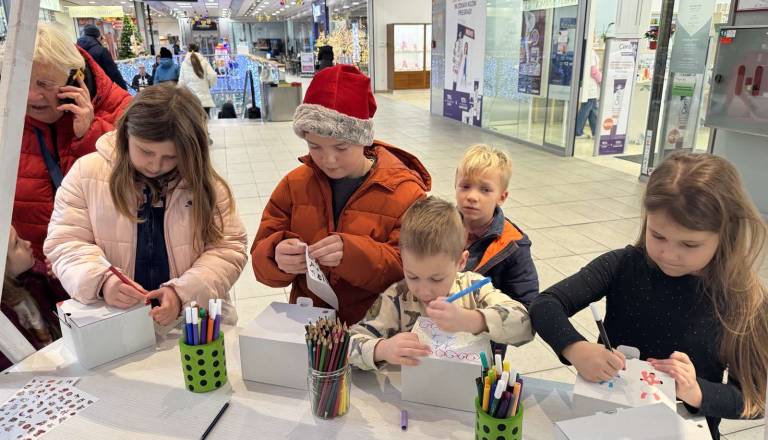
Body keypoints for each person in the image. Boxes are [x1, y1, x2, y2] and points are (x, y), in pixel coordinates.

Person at [529, 152, 768, 440]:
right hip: (605, 425)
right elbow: (546, 305)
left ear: (725, 234)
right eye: (658, 236)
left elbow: (751, 403)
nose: (669, 254)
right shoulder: (622, 265)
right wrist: (575, 348)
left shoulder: (744, 300)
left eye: (690, 244)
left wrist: (696, 390)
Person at [44, 84, 248, 326]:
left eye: (170, 157)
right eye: (145, 151)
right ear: (126, 135)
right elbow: (65, 244)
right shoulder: (86, 173)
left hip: (191, 322)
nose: (155, 165)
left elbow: (229, 249)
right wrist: (102, 281)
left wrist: (183, 293)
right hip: (114, 321)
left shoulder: (207, 185)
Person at [251, 64, 431, 324]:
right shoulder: (293, 186)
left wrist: (353, 255)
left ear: (364, 138)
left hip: (377, 330)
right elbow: (260, 259)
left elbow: (414, 273)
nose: (329, 160)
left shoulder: (405, 193)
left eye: (341, 147)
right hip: (312, 328)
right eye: (315, 146)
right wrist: (276, 255)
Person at [348, 196, 534, 370]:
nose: (423, 291)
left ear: (461, 262)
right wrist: (382, 349)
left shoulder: (473, 288)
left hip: (469, 394)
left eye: (436, 279)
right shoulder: (397, 296)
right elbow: (348, 342)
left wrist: (472, 320)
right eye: (412, 276)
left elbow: (525, 326)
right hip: (411, 395)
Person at [16, 23, 131, 264]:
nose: (30, 96)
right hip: (33, 274)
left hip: (104, 271)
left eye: (44, 84)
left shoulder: (122, 113)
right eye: (23, 81)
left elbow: (136, 189)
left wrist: (91, 135)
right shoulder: (9, 119)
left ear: (76, 78)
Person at [456, 145, 538, 308]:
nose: (472, 196)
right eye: (465, 186)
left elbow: (526, 307)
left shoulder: (513, 246)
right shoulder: (437, 227)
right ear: (455, 186)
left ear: (502, 196)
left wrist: (480, 321)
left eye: (485, 190)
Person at [76, 24, 128, 90]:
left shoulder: (77, 50)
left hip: (86, 91)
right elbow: (114, 74)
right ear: (97, 36)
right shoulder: (101, 51)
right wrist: (124, 89)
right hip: (103, 90)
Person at [178, 43, 217, 116]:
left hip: (190, 101)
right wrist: (209, 85)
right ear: (198, 50)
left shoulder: (184, 64)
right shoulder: (204, 62)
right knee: (205, 124)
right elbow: (213, 75)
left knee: (193, 125)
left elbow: (181, 83)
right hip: (205, 101)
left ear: (188, 50)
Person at [575, 49, 601, 139]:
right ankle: (577, 132)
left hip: (591, 86)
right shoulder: (590, 52)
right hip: (590, 85)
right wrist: (601, 79)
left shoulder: (589, 51)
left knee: (593, 109)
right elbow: (593, 71)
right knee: (586, 108)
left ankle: (595, 132)